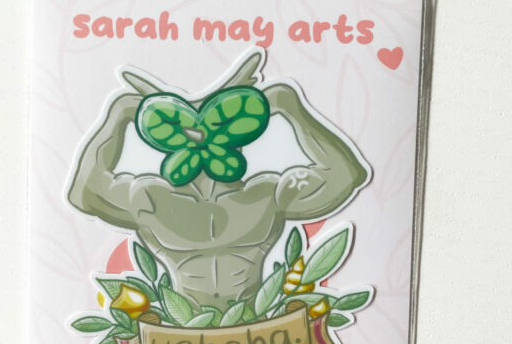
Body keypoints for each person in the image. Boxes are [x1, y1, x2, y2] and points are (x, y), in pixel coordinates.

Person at [67, 51, 370, 308]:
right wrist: (119, 113)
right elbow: (84, 194)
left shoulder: (267, 195)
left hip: (258, 328)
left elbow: (346, 177)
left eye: (220, 125)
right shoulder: (151, 200)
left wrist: (288, 104)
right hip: (180, 333)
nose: (203, 139)